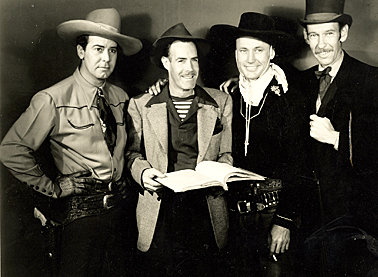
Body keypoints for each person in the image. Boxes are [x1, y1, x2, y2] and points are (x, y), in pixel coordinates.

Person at [148, 13, 314, 276]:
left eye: (258, 50)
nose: (250, 59)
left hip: (274, 214)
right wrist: (164, 84)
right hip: (232, 217)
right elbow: (188, 94)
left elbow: (301, 166)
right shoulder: (228, 96)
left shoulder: (291, 99)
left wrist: (284, 221)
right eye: (243, 50)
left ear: (272, 53)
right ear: (235, 54)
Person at [0, 8, 142, 277]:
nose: (106, 58)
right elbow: (11, 150)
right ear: (81, 51)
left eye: (112, 51)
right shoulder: (52, 98)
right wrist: (52, 187)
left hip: (120, 213)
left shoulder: (120, 96)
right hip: (80, 217)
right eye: (98, 49)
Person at [297, 0, 378, 275]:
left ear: (343, 33)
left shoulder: (375, 81)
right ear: (306, 38)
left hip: (361, 219)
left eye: (329, 33)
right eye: (314, 35)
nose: (321, 44)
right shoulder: (299, 83)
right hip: (313, 220)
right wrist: (240, 83)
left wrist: (338, 139)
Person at [125, 22, 233, 277]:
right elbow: (131, 154)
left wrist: (223, 169)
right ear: (166, 63)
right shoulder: (141, 105)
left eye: (194, 60)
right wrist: (143, 173)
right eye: (181, 60)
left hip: (206, 211)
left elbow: (226, 153)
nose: (190, 68)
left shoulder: (221, 101)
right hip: (160, 212)